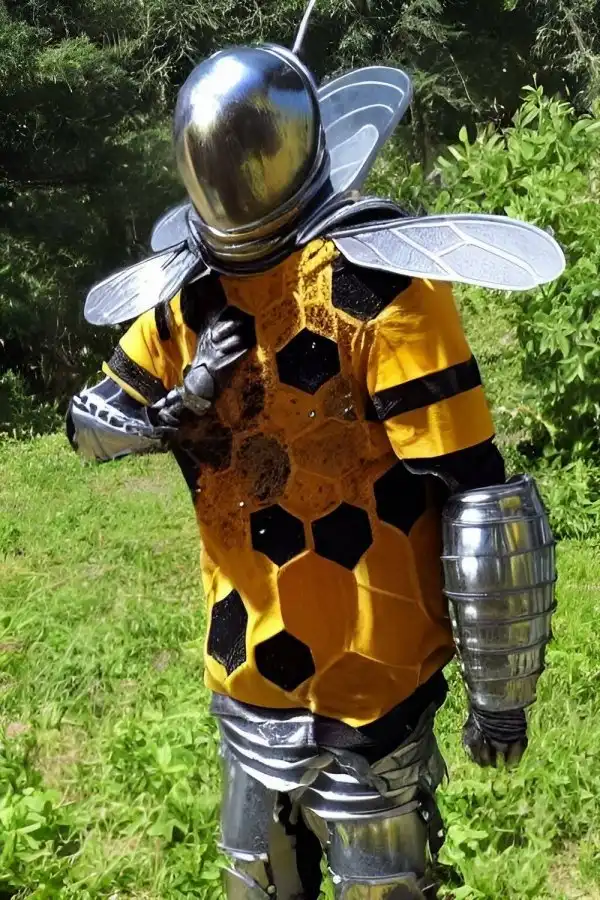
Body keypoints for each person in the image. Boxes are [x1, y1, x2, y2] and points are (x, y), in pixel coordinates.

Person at [67, 4, 564, 897]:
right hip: (255, 680)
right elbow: (92, 423)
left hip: (367, 686)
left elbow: (479, 499)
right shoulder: (188, 302)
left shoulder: (372, 286)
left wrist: (501, 694)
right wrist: (181, 406)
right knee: (260, 877)